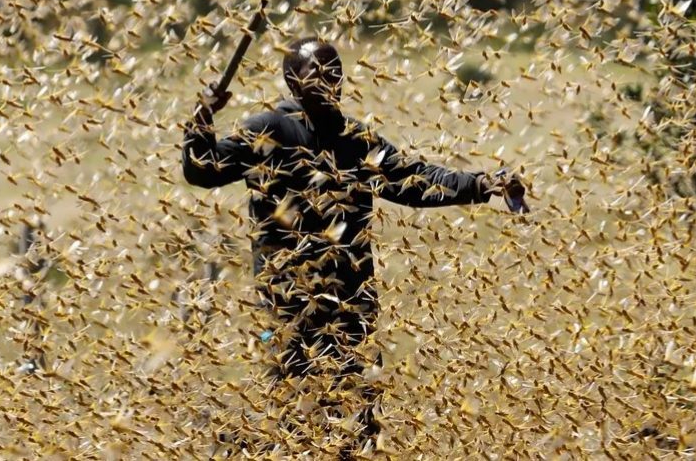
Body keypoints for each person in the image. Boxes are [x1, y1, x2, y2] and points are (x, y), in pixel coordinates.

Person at [183, 37, 528, 456]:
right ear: (293, 81)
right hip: (292, 302)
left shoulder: (356, 140)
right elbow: (203, 171)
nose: (330, 82)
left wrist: (479, 184)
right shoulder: (267, 131)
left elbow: (412, 181)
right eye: (318, 74)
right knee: (299, 407)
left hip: (351, 299)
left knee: (356, 413)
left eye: (336, 73)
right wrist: (201, 119)